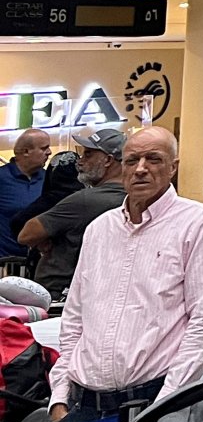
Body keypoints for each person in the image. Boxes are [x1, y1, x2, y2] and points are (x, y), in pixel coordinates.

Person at [48, 127, 203, 422]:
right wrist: (60, 397)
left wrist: (164, 406)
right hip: (84, 405)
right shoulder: (99, 229)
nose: (141, 168)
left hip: (153, 405)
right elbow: (74, 317)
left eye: (153, 159)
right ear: (122, 166)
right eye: (132, 160)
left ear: (173, 166)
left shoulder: (199, 224)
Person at [19, 127, 127, 299]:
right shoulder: (132, 199)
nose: (80, 161)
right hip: (99, 292)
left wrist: (44, 238)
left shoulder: (85, 200)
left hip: (59, 293)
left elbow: (26, 234)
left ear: (107, 160)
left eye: (89, 154)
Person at [0, 130, 50, 258]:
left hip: (38, 263)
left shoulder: (49, 179)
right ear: (26, 151)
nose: (49, 152)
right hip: (4, 262)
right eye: (44, 148)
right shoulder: (2, 178)